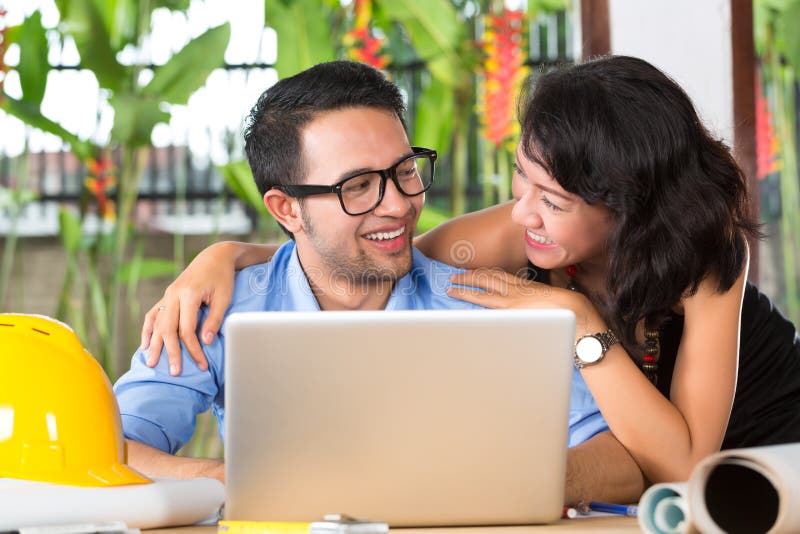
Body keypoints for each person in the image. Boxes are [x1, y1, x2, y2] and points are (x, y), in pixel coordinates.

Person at [142, 56, 800, 488]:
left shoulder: (704, 256)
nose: (521, 214)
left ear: (622, 206)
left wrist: (577, 322)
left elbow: (677, 464)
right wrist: (226, 257)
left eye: (553, 200)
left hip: (754, 443)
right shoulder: (500, 240)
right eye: (522, 181)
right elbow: (369, 255)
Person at [115, 60, 630, 501]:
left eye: (405, 170)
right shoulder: (216, 315)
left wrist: (498, 482)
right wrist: (232, 482)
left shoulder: (485, 305)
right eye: (358, 187)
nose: (400, 204)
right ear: (287, 208)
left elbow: (620, 461)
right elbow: (102, 446)